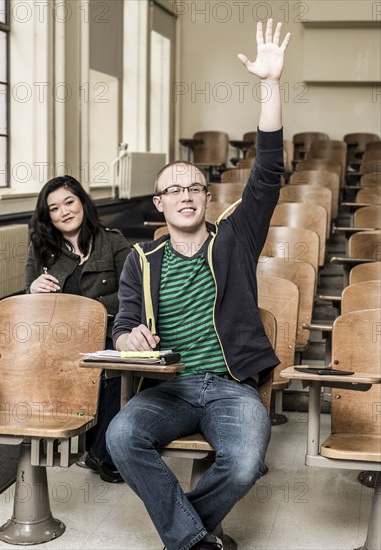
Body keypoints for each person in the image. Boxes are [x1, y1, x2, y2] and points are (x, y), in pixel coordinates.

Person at [106, 19, 291, 550]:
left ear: (206, 198)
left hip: (231, 386)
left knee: (246, 464)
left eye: (195, 186)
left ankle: (183, 537)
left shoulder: (236, 236)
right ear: (158, 203)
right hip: (170, 387)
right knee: (121, 437)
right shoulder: (141, 258)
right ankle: (197, 541)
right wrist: (124, 339)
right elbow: (122, 323)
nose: (186, 195)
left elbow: (269, 168)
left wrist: (270, 85)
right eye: (173, 189)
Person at [25, 175, 131, 483]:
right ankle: (101, 452)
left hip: (110, 330)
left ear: (82, 202)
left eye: (69, 202)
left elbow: (130, 290)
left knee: (113, 368)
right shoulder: (41, 248)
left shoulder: (112, 240)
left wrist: (90, 309)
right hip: (62, 336)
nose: (64, 212)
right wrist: (33, 290)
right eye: (54, 209)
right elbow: (27, 305)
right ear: (48, 217)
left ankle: (102, 453)